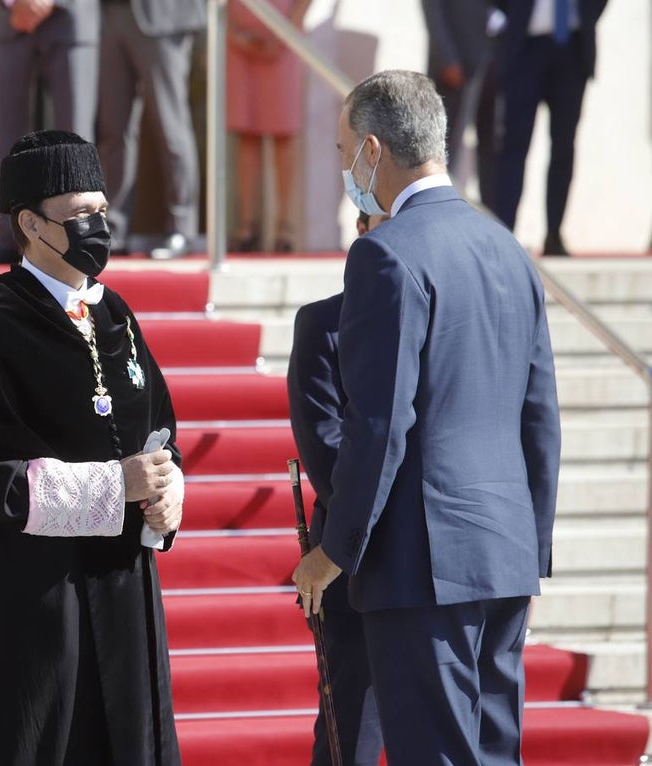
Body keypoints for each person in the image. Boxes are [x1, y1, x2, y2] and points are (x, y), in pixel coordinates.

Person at [292, 70, 560, 766]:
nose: (346, 162)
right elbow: (540, 421)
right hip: (502, 556)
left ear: (373, 151)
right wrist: (531, 548)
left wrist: (336, 551)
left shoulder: (385, 253)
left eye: (346, 146)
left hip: (422, 564)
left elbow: (382, 426)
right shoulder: (509, 251)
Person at [0, 129, 184, 765]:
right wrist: (117, 486)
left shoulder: (116, 313)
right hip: (39, 596)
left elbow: (162, 438)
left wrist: (169, 498)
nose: (97, 226)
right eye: (79, 214)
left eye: (101, 209)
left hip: (126, 585)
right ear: (31, 225)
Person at [287, 209, 386, 766]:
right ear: (361, 230)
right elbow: (325, 451)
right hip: (352, 566)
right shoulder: (324, 324)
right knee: (350, 735)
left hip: (436, 563)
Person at [0, 0, 100, 265]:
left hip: (72, 16)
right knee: (8, 134)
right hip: (6, 17)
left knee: (75, 140)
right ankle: (10, 237)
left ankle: (80, 238)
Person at [492, 0, 609, 256]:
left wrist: (588, 15)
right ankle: (503, 231)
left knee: (564, 146)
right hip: (526, 46)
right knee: (514, 145)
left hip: (573, 47)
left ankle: (554, 234)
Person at [97, 0, 205, 259]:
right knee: (114, 130)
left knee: (171, 128)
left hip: (164, 16)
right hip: (111, 14)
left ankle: (182, 229)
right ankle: (113, 229)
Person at [227, 0, 309, 253]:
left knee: (283, 133)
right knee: (246, 134)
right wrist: (231, 32)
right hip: (237, 44)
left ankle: (285, 229)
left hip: (283, 42)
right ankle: (247, 227)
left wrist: (284, 34)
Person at [421, 0, 498, 204]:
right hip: (456, 66)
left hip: (495, 60)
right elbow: (433, 7)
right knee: (441, 151)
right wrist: (447, 58)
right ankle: (435, 211)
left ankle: (489, 224)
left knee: (493, 148)